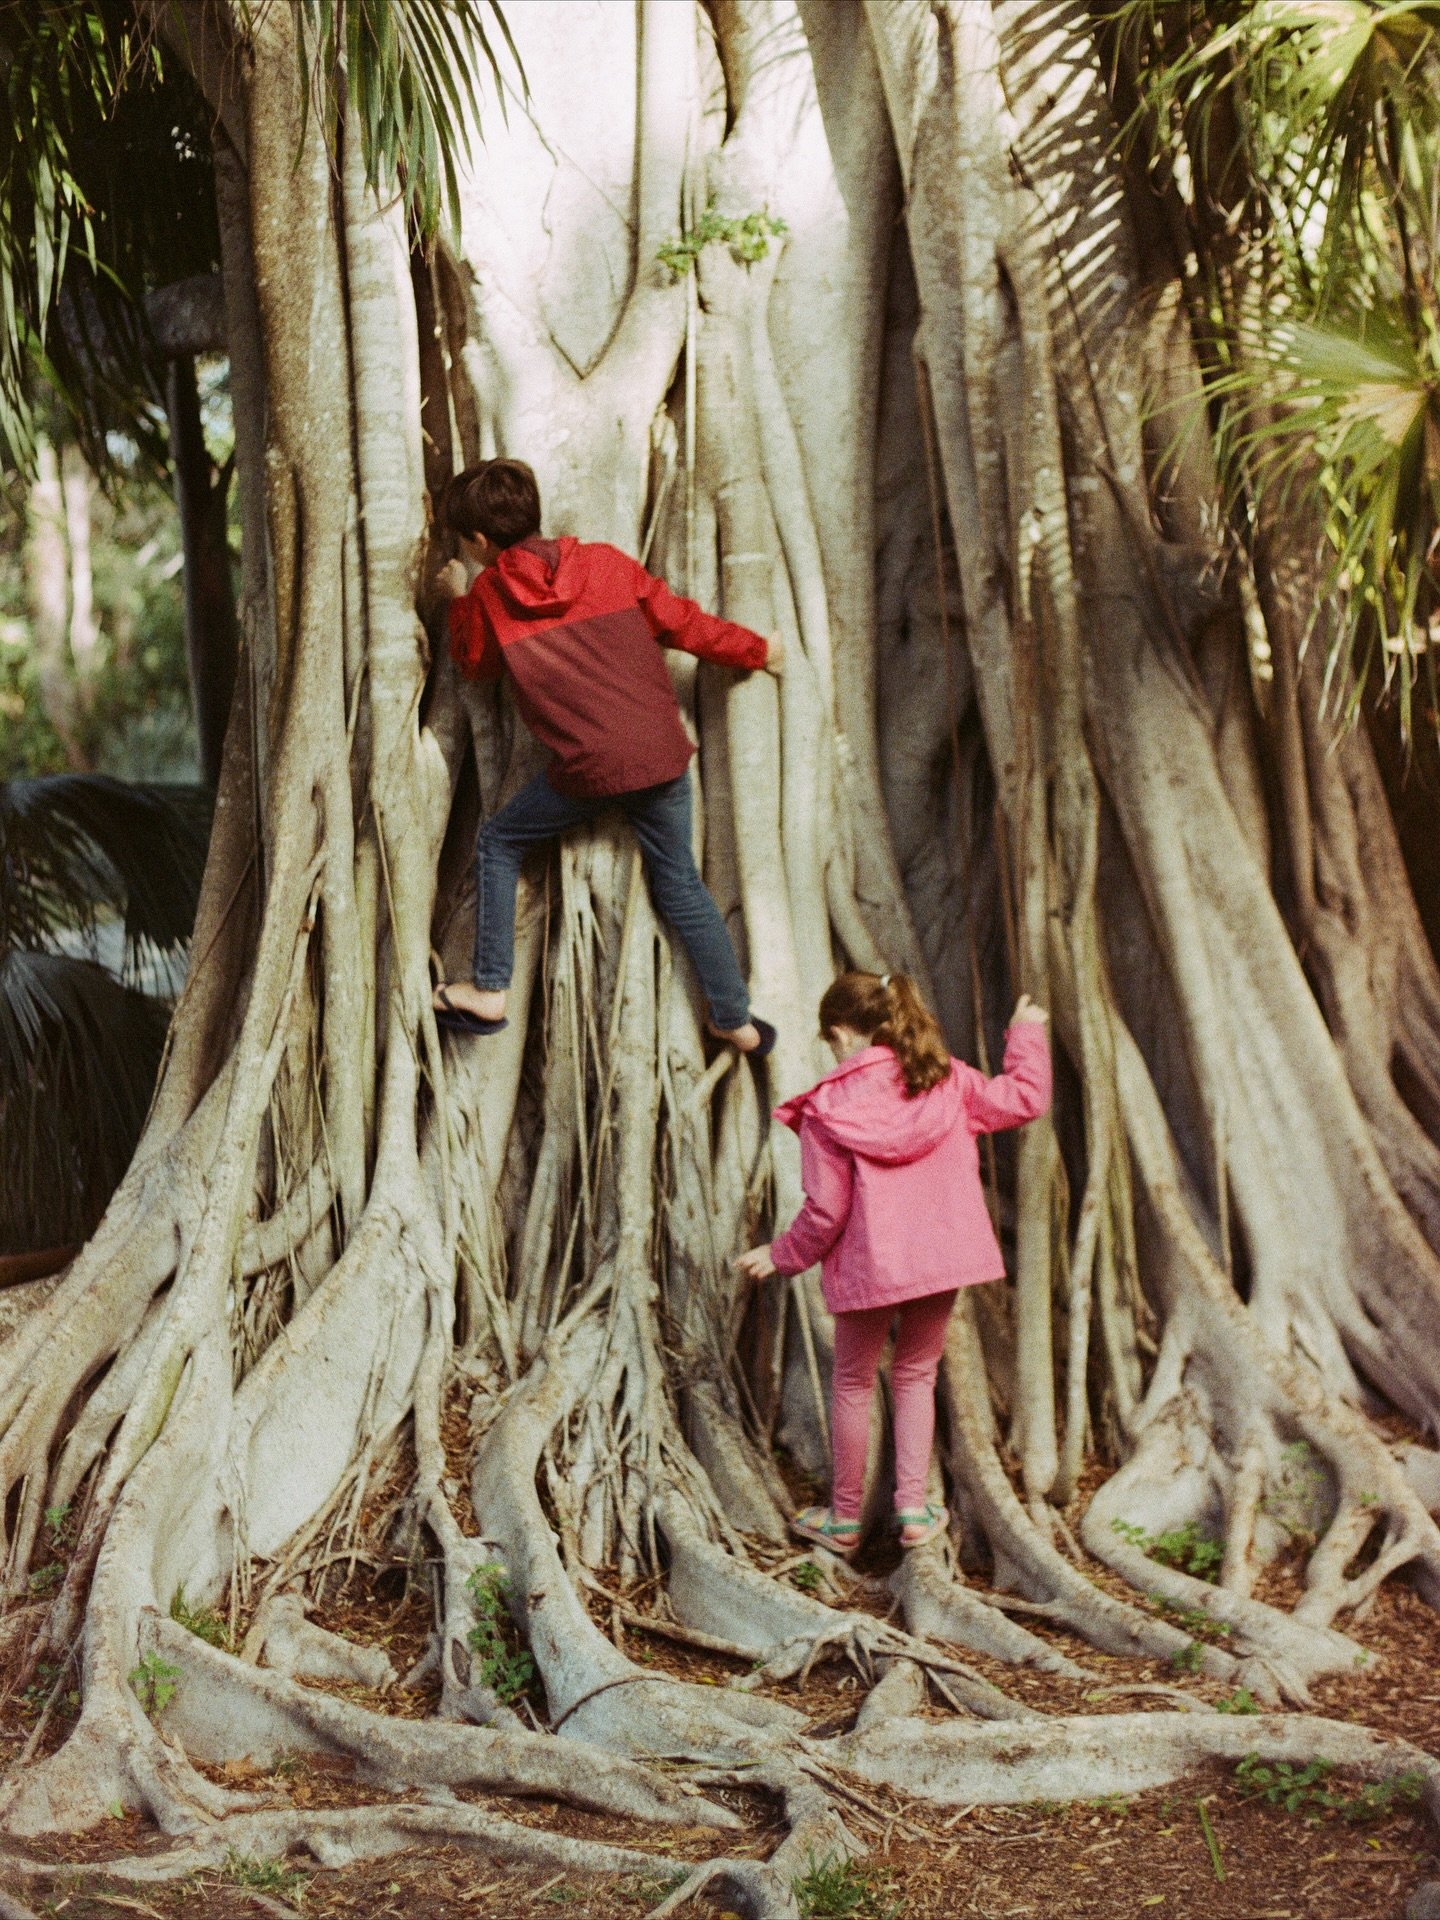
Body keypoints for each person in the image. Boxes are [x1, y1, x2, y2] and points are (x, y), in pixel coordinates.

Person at [429, 459, 783, 1053]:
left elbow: (476, 665)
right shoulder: (604, 562)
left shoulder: (489, 593)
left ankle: (489, 989)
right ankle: (736, 1020)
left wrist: (458, 600)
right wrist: (758, 650)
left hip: (588, 772)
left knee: (499, 841)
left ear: (479, 542)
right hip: (662, 757)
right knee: (681, 886)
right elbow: (683, 625)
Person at [736, 971, 1051, 1552]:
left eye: (830, 1044)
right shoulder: (946, 1080)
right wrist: (1026, 1035)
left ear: (840, 1033)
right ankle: (910, 1510)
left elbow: (826, 1213)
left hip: (870, 1267)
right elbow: (1024, 1099)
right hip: (941, 1261)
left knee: (854, 1382)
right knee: (915, 1373)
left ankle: (845, 1519)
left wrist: (781, 1255)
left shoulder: (828, 1108)